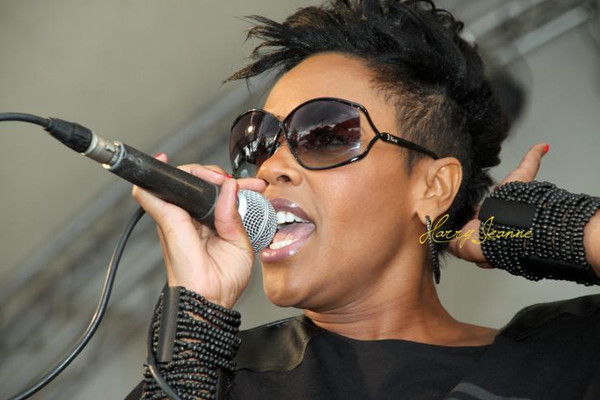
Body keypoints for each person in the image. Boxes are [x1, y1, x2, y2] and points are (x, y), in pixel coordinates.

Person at [127, 1, 600, 399]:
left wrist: (545, 228)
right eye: (260, 142)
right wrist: (194, 321)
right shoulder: (215, 378)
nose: (270, 168)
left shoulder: (564, 362)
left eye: (325, 135)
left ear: (434, 187)